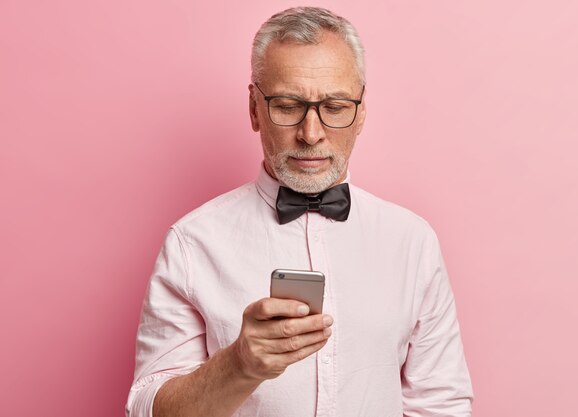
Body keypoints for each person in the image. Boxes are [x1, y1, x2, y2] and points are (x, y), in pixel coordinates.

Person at [126, 6, 473, 417]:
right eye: (288, 106)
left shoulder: (412, 241)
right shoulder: (192, 243)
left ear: (361, 113)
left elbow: (441, 404)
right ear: (255, 109)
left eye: (336, 106)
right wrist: (239, 365)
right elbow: (147, 410)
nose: (311, 134)